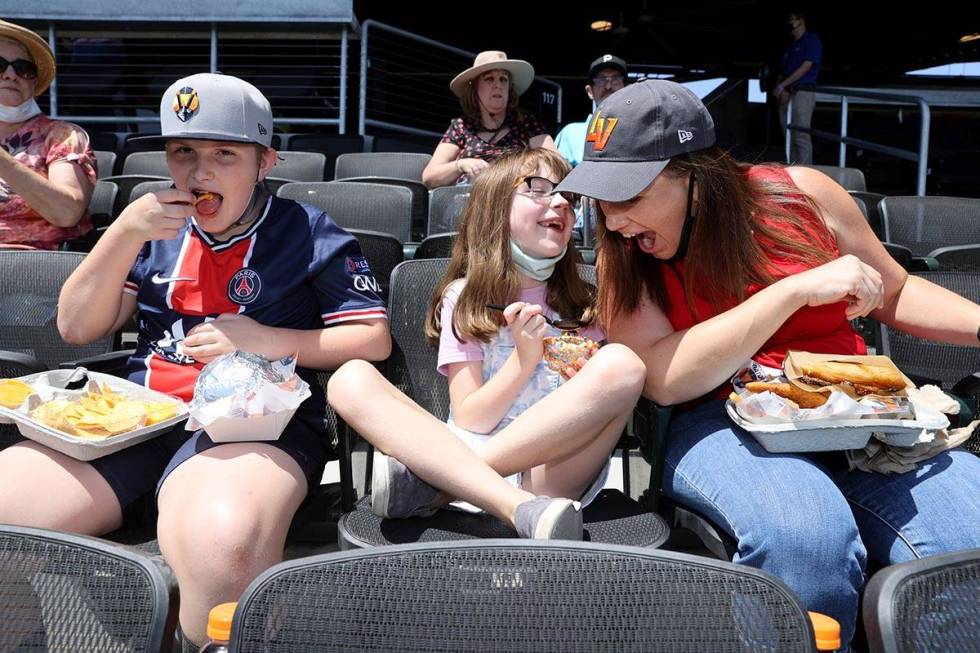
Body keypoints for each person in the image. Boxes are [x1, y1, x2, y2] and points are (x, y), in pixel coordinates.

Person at [556, 79, 980, 646]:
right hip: (724, 417)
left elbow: (895, 292)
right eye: (601, 198)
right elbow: (663, 378)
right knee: (806, 540)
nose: (611, 221)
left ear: (696, 174)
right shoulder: (625, 255)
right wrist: (792, 292)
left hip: (859, 415)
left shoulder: (802, 195)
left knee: (964, 537)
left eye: (628, 197)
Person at [0, 73, 390, 650]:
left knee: (222, 545)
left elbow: (371, 337)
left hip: (255, 422)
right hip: (138, 418)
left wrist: (264, 338)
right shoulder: (152, 224)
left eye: (224, 155)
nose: (199, 173)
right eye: (183, 152)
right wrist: (122, 234)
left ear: (264, 162)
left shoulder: (308, 231)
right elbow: (77, 327)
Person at [329, 148, 645, 539]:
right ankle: (515, 509)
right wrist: (523, 362)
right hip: (513, 487)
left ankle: (435, 488)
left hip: (546, 479)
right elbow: (471, 418)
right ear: (495, 208)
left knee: (623, 364)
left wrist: (587, 384)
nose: (562, 202)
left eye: (568, 195)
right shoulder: (463, 299)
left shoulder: (590, 304)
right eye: (540, 188)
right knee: (350, 378)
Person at [0, 19, 95, 249]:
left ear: (33, 83)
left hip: (33, 269)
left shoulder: (62, 135)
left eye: (23, 68)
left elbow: (67, 212)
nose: (11, 75)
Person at [422, 51, 557, 189]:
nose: (498, 85)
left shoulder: (527, 124)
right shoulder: (462, 126)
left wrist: (523, 167)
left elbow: (555, 164)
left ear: (509, 88)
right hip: (466, 202)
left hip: (514, 202)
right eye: (489, 79)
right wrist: (461, 165)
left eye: (503, 79)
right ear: (474, 87)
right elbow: (429, 177)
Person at [555, 54, 627, 168]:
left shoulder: (642, 130)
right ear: (589, 91)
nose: (608, 86)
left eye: (616, 79)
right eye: (601, 80)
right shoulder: (570, 133)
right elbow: (557, 177)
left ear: (628, 89)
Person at [774, 12, 822, 164]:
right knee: (789, 137)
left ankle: (806, 173)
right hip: (787, 94)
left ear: (801, 20)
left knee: (801, 135)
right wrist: (780, 88)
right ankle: (793, 172)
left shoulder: (811, 40)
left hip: (803, 91)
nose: (789, 23)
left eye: (792, 19)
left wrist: (783, 85)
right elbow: (783, 71)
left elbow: (806, 66)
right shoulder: (789, 47)